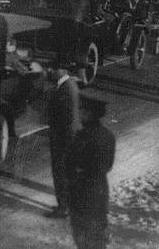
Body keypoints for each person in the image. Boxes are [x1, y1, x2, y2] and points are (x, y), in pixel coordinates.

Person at [69, 91, 116, 249]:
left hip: (83, 192)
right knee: (98, 237)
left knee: (83, 237)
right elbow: (108, 166)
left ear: (89, 113)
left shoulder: (82, 136)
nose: (80, 112)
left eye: (82, 109)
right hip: (101, 190)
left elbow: (70, 164)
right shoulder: (109, 135)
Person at [45, 67, 81, 218]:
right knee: (67, 172)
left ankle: (63, 208)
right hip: (70, 136)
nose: (49, 70)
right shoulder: (70, 85)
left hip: (63, 138)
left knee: (60, 172)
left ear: (61, 71)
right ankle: (67, 205)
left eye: (52, 68)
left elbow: (61, 116)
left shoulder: (64, 89)